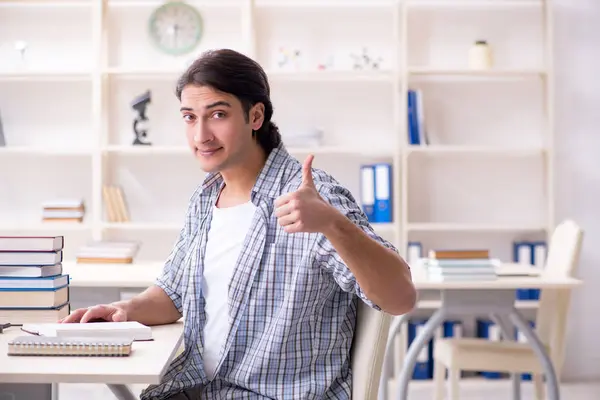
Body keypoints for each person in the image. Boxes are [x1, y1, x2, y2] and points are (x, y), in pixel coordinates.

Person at [61, 48, 416, 400]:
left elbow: (401, 298)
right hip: (198, 389)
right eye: (189, 117)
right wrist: (124, 311)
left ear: (255, 116)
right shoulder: (206, 198)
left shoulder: (313, 199)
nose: (201, 135)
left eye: (217, 114)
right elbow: (173, 294)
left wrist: (333, 225)